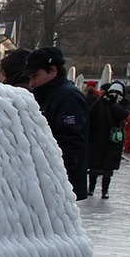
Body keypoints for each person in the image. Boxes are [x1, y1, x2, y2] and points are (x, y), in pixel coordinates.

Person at [24, 47, 89, 200]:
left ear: (53, 70)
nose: (31, 82)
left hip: (60, 182)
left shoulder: (67, 97)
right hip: (50, 179)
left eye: (35, 76)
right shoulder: (46, 94)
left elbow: (71, 142)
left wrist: (57, 177)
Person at [87, 82, 129, 200]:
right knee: (94, 166)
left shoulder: (122, 103)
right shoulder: (100, 102)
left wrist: (113, 104)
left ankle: (105, 190)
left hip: (112, 141)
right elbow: (91, 117)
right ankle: (91, 188)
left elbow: (123, 115)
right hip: (97, 139)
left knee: (108, 168)